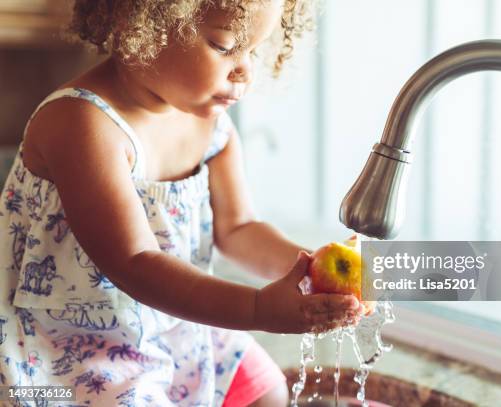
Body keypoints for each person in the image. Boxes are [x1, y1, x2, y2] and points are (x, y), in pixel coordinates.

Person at [0, 0, 363, 405]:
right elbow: (135, 263)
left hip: (173, 323)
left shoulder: (211, 126)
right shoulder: (81, 123)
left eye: (255, 50)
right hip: (73, 346)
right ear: (140, 21)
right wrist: (259, 309)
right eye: (225, 46)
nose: (246, 70)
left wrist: (309, 271)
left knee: (267, 391)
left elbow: (238, 228)